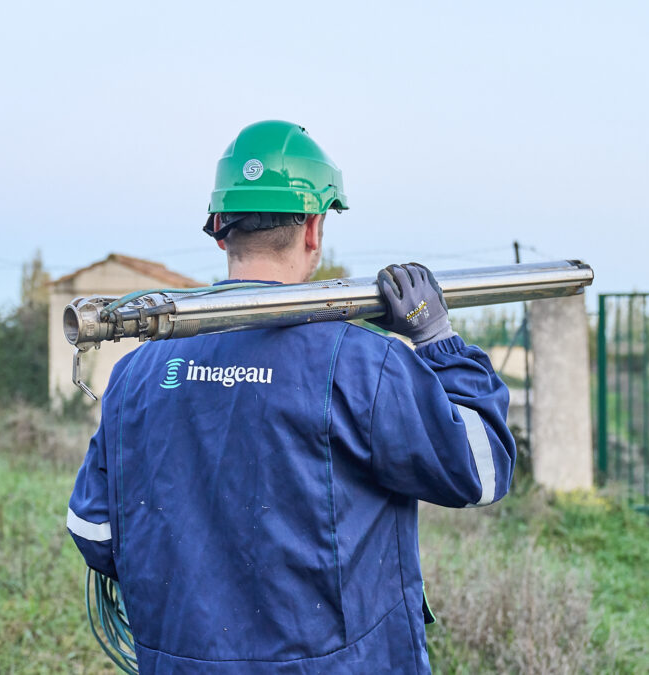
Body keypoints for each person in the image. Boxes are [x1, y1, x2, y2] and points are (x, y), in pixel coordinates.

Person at [67, 120, 516, 673]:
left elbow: (93, 530)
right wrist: (438, 342)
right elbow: (483, 468)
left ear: (217, 229)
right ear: (313, 229)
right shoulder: (365, 365)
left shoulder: (137, 372)